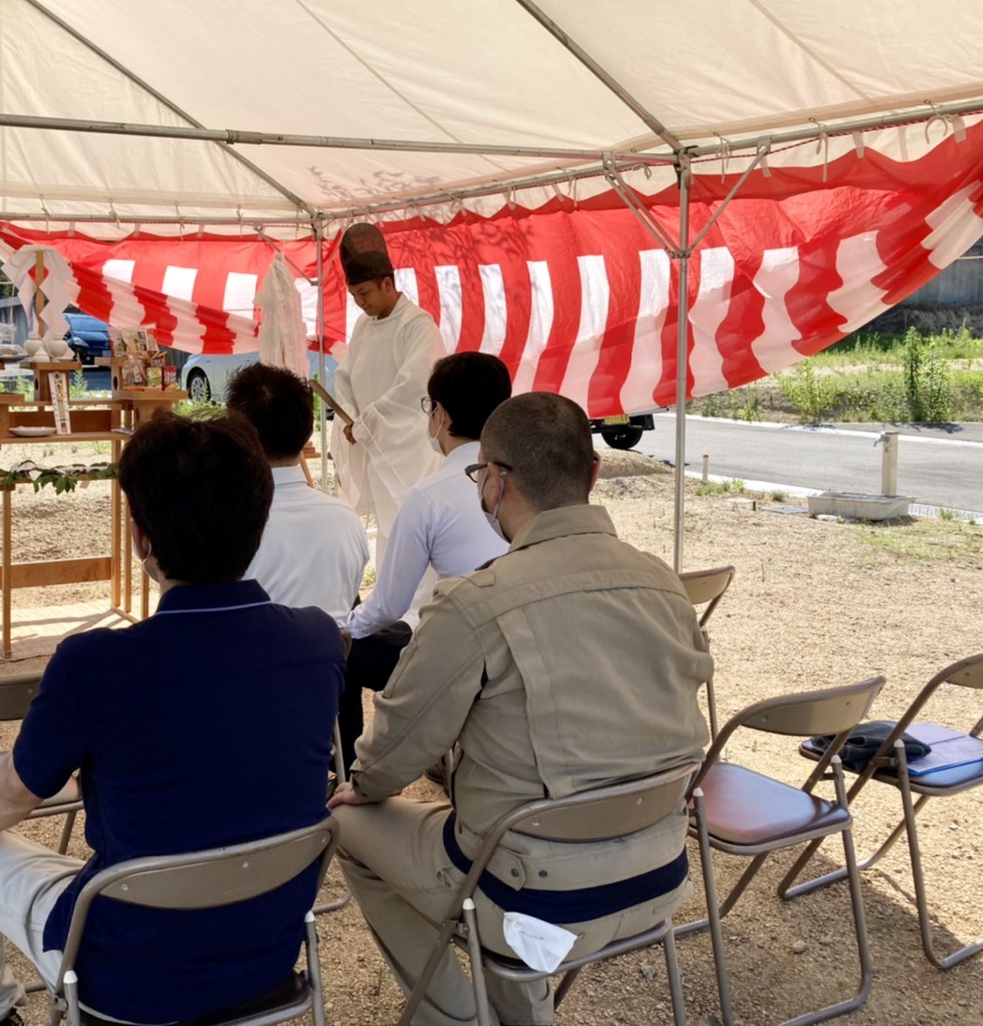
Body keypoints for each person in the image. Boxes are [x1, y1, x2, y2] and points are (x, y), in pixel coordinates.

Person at [0, 413, 344, 1026]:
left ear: (142, 540)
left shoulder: (95, 663)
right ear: (258, 524)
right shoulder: (318, 641)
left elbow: (16, 792)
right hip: (266, 956)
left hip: (127, 968)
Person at [329, 392, 712, 1026]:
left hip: (528, 890)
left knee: (349, 823)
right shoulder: (664, 584)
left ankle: (454, 1017)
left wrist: (362, 785)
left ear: (496, 481)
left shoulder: (475, 601)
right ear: (593, 474)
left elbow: (398, 747)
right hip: (660, 872)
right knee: (509, 823)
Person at [339, 352, 512, 772]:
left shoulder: (429, 495)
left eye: (429, 407)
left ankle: (347, 767)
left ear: (441, 415)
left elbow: (388, 606)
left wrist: (343, 630)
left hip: (457, 662)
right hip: (518, 644)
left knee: (344, 652)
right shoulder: (522, 481)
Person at [332, 222, 446, 555]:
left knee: (414, 531)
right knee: (388, 532)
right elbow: (346, 377)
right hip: (376, 445)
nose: (360, 303)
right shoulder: (363, 327)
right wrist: (352, 418)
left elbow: (415, 386)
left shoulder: (417, 325)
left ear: (387, 283)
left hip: (408, 450)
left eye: (364, 294)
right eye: (354, 297)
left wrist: (367, 422)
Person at [227, 361, 368, 627]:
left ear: (239, 435)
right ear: (308, 432)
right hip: (333, 664)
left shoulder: (228, 524)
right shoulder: (346, 519)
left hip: (253, 663)